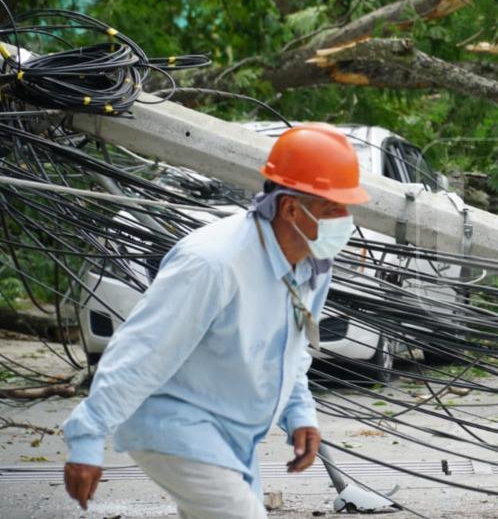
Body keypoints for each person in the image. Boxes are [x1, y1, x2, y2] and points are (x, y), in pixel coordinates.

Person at [62, 124, 370, 518]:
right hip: (174, 424)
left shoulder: (313, 266)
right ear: (291, 207)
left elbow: (290, 350)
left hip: (234, 436)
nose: (344, 220)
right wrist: (87, 438)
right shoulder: (213, 262)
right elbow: (141, 351)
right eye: (333, 209)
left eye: (347, 208)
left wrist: (300, 414)